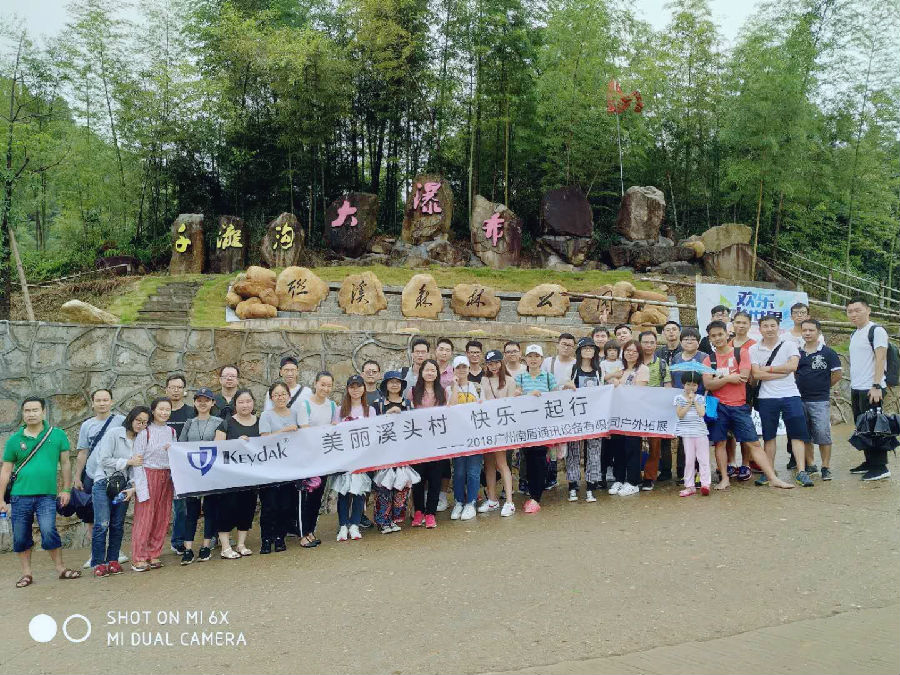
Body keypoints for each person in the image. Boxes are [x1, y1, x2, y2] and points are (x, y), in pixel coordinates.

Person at [701, 321, 793, 490]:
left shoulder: (741, 353)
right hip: (719, 407)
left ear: (727, 334)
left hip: (739, 406)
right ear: (709, 338)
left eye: (720, 334)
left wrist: (719, 379)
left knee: (754, 443)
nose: (718, 338)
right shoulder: (709, 360)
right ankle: (724, 479)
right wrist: (729, 378)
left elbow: (743, 377)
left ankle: (773, 478)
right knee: (720, 443)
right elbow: (708, 384)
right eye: (713, 336)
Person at [0, 397, 81, 587]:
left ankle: (61, 569)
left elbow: (65, 463)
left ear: (43, 412)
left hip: (47, 496)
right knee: (20, 536)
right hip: (19, 496)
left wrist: (66, 489)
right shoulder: (14, 440)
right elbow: (6, 470)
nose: (31, 414)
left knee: (48, 530)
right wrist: (1, 499)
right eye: (27, 411)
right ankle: (26, 574)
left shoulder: (57, 435)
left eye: (35, 410)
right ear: (23, 413)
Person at [750, 314, 813, 487]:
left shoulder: (789, 345)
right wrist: (781, 372)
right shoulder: (754, 349)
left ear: (778, 327)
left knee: (798, 434)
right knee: (769, 436)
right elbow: (756, 374)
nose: (769, 329)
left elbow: (792, 366)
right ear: (759, 329)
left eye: (772, 325)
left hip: (790, 395)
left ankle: (801, 471)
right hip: (766, 397)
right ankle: (769, 472)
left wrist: (768, 369)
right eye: (765, 326)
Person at [90, 406, 148, 576]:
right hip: (104, 482)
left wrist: (133, 487)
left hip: (124, 486)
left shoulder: (141, 440)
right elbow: (104, 459)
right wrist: (128, 461)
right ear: (131, 418)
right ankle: (98, 562)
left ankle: (113, 560)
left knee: (117, 524)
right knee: (102, 524)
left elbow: (137, 468)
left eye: (145, 422)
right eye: (138, 420)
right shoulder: (115, 433)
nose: (140, 425)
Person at [74, 388, 126, 569]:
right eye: (98, 400)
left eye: (105, 400)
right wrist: (77, 476)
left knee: (115, 515)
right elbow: (83, 452)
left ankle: (115, 552)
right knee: (92, 516)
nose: (102, 403)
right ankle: (95, 553)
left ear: (112, 401)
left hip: (115, 476)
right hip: (91, 474)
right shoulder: (87, 425)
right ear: (93, 403)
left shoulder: (121, 421)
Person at [130, 397, 177, 571]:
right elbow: (137, 460)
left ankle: (154, 553)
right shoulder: (145, 432)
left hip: (167, 476)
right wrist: (139, 484)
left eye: (167, 410)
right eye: (161, 409)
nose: (164, 413)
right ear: (153, 411)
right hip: (148, 474)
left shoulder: (172, 432)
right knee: (144, 517)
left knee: (162, 517)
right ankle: (139, 557)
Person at [845, 298, 890, 480]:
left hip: (872, 388)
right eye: (850, 311)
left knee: (875, 427)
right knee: (862, 427)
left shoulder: (876, 331)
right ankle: (870, 462)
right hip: (857, 387)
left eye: (858, 310)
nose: (853, 314)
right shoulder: (854, 334)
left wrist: (876, 385)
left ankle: (881, 466)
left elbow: (881, 358)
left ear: (868, 310)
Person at [212, 390, 259, 559]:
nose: (245, 405)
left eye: (248, 401)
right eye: (241, 402)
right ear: (235, 404)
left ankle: (241, 544)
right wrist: (235, 444)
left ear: (253, 402)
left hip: (251, 476)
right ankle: (225, 547)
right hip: (229, 477)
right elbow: (217, 449)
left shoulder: (260, 423)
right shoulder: (226, 424)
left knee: (247, 509)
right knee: (227, 509)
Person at [177, 388, 222, 564]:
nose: (203, 403)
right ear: (195, 402)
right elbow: (181, 445)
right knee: (191, 511)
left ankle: (206, 546)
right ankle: (188, 548)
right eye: (199, 400)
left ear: (212, 403)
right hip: (192, 472)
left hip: (211, 471)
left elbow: (223, 445)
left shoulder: (219, 422)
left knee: (210, 509)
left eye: (206, 400)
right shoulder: (189, 423)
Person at [258, 382, 303, 553]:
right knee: (269, 505)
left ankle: (279, 537)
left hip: (289, 468)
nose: (280, 397)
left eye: (283, 394)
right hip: (270, 468)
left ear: (289, 396)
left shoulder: (295, 414)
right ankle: (266, 539)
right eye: (276, 395)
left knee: (285, 505)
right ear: (271, 398)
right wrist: (284, 431)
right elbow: (264, 439)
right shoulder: (266, 415)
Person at [796, 319, 842, 482]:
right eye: (805, 330)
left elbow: (837, 374)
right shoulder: (797, 353)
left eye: (811, 330)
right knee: (805, 434)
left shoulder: (828, 353)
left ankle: (826, 467)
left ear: (819, 332)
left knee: (823, 433)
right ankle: (810, 465)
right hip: (799, 399)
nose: (807, 333)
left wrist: (823, 386)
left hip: (820, 400)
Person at [514, 345, 558, 513]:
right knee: (528, 458)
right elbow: (516, 397)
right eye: (530, 356)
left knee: (539, 458)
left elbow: (556, 397)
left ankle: (536, 498)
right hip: (525, 426)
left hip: (543, 426)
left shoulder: (548, 377)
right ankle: (533, 494)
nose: (533, 359)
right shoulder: (520, 377)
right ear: (525, 359)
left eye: (536, 356)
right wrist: (525, 395)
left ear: (541, 359)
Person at [410, 360, 452, 529]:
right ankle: (419, 511)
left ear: (437, 373)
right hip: (418, 441)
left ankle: (430, 513)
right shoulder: (413, 392)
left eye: (433, 370)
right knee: (418, 478)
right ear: (421, 372)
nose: (430, 373)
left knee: (435, 478)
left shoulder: (442, 392)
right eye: (427, 370)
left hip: (437, 442)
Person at [332, 375, 375, 541]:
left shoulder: (369, 410)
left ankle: (355, 524)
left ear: (364, 388)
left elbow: (373, 433)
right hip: (344, 457)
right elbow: (334, 433)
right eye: (352, 387)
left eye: (358, 386)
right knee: (344, 492)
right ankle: (343, 525)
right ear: (347, 389)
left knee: (359, 491)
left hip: (362, 457)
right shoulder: (339, 410)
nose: (355, 390)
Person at [297, 372, 337, 548]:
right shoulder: (305, 405)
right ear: (315, 384)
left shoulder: (332, 406)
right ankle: (302, 534)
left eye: (329, 385)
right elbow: (305, 430)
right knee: (305, 497)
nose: (325, 389)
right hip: (307, 458)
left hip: (324, 458)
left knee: (317, 497)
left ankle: (311, 530)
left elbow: (335, 429)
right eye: (322, 384)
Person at [372, 371, 413, 534]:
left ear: (402, 385)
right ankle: (382, 521)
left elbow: (413, 425)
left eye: (398, 382)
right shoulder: (378, 405)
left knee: (401, 487)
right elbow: (372, 426)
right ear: (385, 385)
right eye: (391, 382)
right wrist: (386, 415)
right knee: (384, 488)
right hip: (383, 453)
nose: (395, 385)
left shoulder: (408, 404)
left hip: (403, 452)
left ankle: (395, 518)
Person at [605, 340, 648, 496]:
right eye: (628, 350)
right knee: (618, 448)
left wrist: (619, 385)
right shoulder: (621, 370)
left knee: (632, 448)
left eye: (634, 351)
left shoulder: (642, 369)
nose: (631, 353)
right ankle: (619, 479)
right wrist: (614, 378)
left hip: (633, 415)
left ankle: (633, 481)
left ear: (639, 354)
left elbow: (638, 390)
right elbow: (606, 380)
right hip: (618, 415)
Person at [563, 338, 603, 502]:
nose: (588, 350)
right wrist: (567, 386)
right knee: (573, 451)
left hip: (594, 417)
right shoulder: (572, 369)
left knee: (594, 451)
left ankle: (591, 486)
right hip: (575, 416)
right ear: (579, 351)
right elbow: (563, 388)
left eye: (591, 348)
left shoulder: (599, 370)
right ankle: (573, 485)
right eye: (585, 347)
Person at [668, 328, 709, 483]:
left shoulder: (704, 357)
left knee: (698, 440)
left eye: (693, 339)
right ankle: (683, 473)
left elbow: (707, 379)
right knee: (683, 438)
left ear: (698, 342)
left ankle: (700, 475)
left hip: (698, 402)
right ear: (681, 341)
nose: (689, 341)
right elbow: (672, 378)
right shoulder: (677, 357)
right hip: (681, 401)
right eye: (686, 339)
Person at [480, 350, 517, 516]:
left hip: (501, 427)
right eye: (490, 363)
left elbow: (510, 404)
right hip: (487, 426)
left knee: (502, 463)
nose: (493, 366)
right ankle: (492, 499)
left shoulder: (509, 380)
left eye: (496, 362)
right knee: (488, 464)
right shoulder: (484, 380)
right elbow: (482, 400)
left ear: (501, 363)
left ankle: (509, 501)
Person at [449, 356, 482, 521]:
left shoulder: (477, 387)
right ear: (453, 370)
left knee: (474, 471)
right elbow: (451, 407)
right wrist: (455, 385)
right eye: (458, 367)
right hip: (457, 436)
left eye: (464, 367)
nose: (461, 370)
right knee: (459, 471)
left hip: (475, 435)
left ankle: (471, 502)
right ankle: (459, 501)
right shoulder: (448, 389)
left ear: (469, 369)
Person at [165, 374, 195, 556]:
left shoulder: (191, 412)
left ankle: (179, 541)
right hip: (161, 465)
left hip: (185, 466)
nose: (175, 391)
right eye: (172, 387)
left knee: (182, 505)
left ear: (184, 390)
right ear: (166, 389)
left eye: (179, 387)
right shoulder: (160, 411)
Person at [639, 330, 671, 491]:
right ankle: (634, 475)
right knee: (634, 444)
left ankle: (649, 477)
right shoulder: (633, 362)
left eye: (652, 342)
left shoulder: (662, 364)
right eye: (645, 342)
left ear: (656, 344)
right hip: (635, 409)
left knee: (654, 445)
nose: (648, 345)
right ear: (640, 344)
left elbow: (668, 386)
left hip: (655, 410)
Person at [674, 373, 711, 497]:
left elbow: (701, 413)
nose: (691, 387)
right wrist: (689, 403)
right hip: (687, 434)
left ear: (697, 386)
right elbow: (680, 414)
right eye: (688, 384)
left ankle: (705, 484)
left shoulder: (700, 398)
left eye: (694, 385)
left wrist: (694, 401)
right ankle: (689, 486)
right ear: (683, 385)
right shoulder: (679, 398)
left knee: (703, 459)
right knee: (689, 460)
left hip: (700, 432)